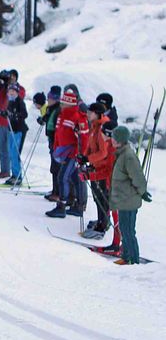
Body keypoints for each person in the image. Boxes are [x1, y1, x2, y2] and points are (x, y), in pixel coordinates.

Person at [109, 126, 151, 265]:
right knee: (124, 229)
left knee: (128, 231)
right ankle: (126, 256)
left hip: (129, 199)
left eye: (114, 138)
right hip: (123, 199)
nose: (112, 140)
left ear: (120, 140)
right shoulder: (121, 153)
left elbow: (137, 176)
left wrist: (143, 192)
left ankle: (133, 260)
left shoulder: (128, 156)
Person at [46, 90, 89, 218]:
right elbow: (58, 133)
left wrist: (79, 153)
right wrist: (56, 148)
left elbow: (83, 138)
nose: (61, 105)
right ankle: (77, 204)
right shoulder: (61, 115)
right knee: (74, 178)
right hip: (63, 152)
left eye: (64, 103)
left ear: (70, 104)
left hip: (73, 153)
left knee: (63, 177)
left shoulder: (77, 117)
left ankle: (62, 206)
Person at [80, 102, 114, 239]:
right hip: (96, 165)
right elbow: (90, 144)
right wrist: (84, 156)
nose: (88, 114)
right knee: (96, 196)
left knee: (101, 197)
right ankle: (101, 220)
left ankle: (103, 224)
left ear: (98, 114)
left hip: (102, 167)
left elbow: (103, 153)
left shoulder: (102, 128)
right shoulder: (95, 126)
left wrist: (88, 158)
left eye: (90, 112)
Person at [0, 69, 25, 179]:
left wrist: (9, 87)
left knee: (11, 148)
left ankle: (16, 174)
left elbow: (17, 97)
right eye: (9, 76)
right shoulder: (1, 88)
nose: (11, 78)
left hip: (11, 122)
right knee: (2, 147)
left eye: (13, 76)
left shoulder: (19, 89)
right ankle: (5, 171)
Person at [2, 84, 28, 185]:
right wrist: (3, 113)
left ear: (17, 92)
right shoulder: (10, 102)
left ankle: (18, 176)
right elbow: (8, 114)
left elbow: (24, 114)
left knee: (15, 152)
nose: (11, 93)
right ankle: (14, 175)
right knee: (11, 153)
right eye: (10, 91)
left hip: (19, 130)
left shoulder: (20, 102)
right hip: (12, 130)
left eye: (13, 91)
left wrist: (15, 115)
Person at [43, 86, 62, 202]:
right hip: (52, 140)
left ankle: (58, 192)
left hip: (56, 141)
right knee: (54, 167)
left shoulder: (58, 109)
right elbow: (48, 119)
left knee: (56, 168)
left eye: (50, 98)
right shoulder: (51, 108)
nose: (48, 100)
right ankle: (55, 190)